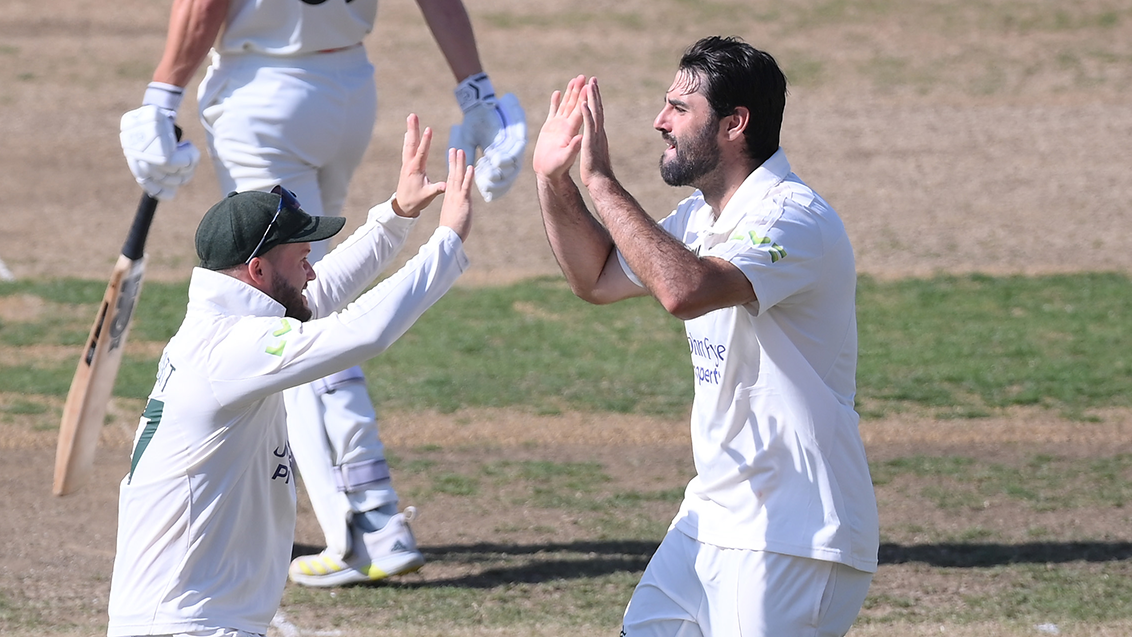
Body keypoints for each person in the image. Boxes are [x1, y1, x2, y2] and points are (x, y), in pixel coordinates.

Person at [116, 0, 526, 587]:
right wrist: (475, 89)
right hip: (350, 87)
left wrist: (162, 94)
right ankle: (368, 516)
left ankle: (366, 524)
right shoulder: (235, 340)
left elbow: (206, 4)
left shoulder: (226, 323)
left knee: (296, 286)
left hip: (262, 90)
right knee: (298, 302)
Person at [532, 36, 879, 636]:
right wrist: (554, 179)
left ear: (734, 123)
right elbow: (596, 278)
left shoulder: (791, 217)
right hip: (710, 517)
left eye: (679, 108)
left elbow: (685, 291)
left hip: (793, 533)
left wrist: (602, 182)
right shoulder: (699, 217)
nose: (659, 122)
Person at [107, 115, 474, 637]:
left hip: (190, 620)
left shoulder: (228, 326)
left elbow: (318, 297)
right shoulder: (230, 350)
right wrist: (447, 241)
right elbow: (362, 332)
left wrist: (396, 216)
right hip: (188, 626)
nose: (312, 270)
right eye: (302, 258)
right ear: (257, 271)